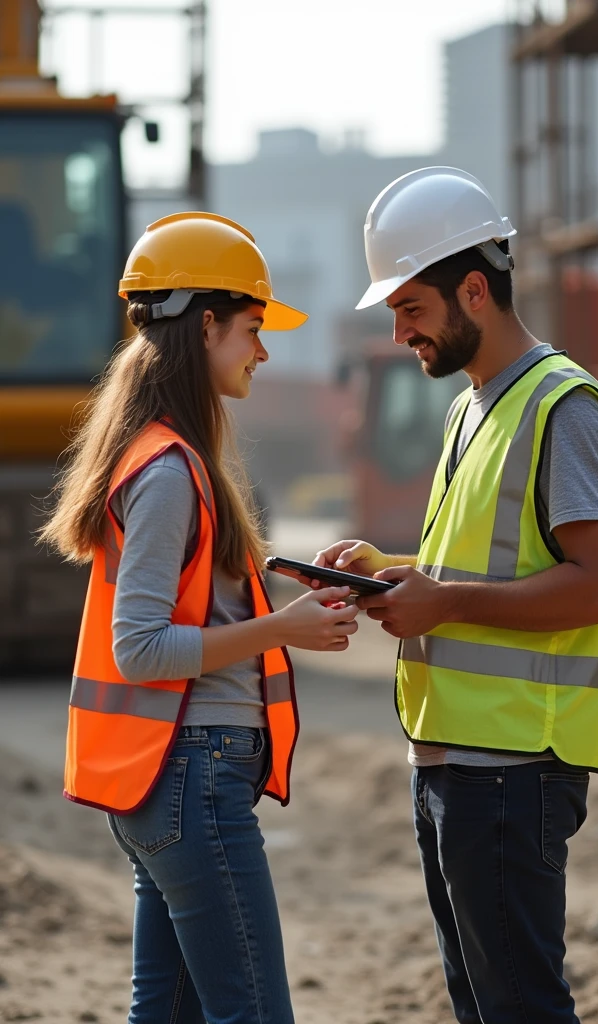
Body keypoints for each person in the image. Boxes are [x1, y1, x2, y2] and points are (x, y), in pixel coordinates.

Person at [315, 168, 598, 1024]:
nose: (399, 329)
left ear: (476, 291)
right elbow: (482, 563)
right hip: (454, 762)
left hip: (514, 769)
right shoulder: (472, 408)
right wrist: (391, 568)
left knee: (520, 1008)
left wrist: (444, 602)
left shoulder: (564, 408)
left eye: (411, 308)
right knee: (483, 1006)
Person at [39, 211, 359, 1024]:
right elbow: (142, 648)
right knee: (252, 1012)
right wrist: (282, 629)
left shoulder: (165, 456)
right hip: (191, 779)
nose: (263, 350)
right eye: (253, 328)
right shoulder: (170, 471)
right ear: (206, 323)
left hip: (171, 781)